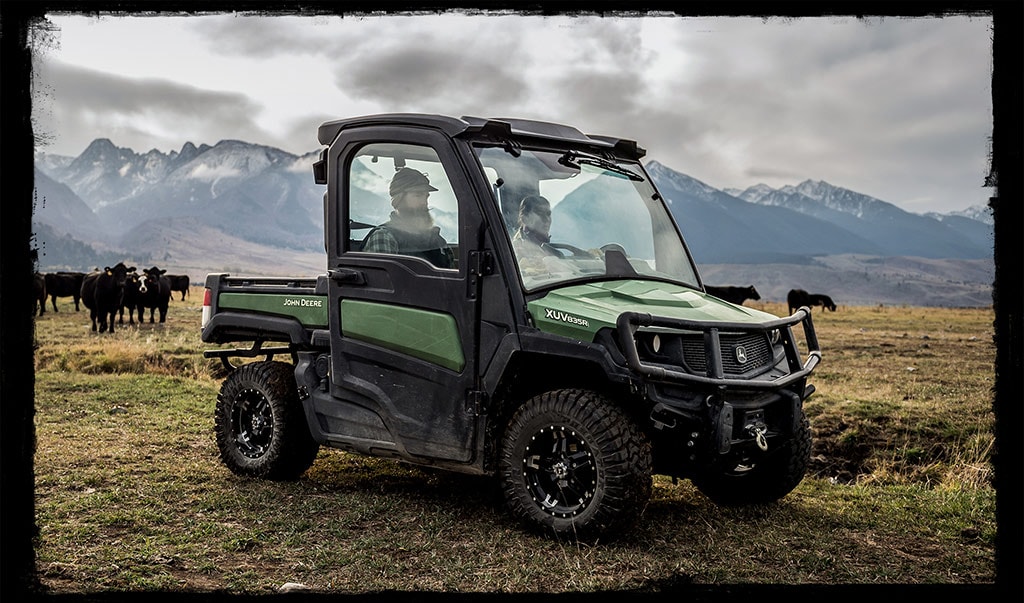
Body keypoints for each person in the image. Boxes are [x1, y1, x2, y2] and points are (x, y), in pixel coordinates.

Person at [362, 167, 454, 268]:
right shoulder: (384, 237)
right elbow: (382, 281)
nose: (425, 202)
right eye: (418, 195)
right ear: (399, 199)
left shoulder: (438, 241)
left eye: (426, 196)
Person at [511, 195, 561, 260]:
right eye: (540, 213)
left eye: (548, 214)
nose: (547, 219)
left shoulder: (549, 248)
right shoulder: (517, 250)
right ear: (525, 218)